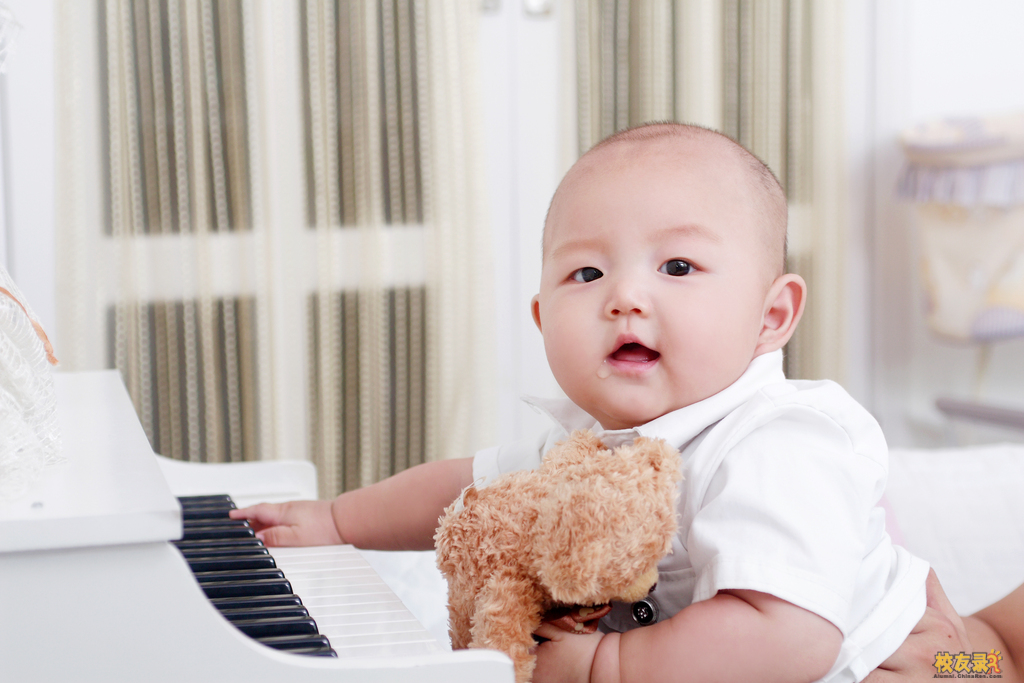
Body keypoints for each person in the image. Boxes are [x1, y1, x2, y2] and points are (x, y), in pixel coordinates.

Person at [232, 122, 928, 683]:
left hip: (898, 662)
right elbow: (459, 492)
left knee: (980, 659)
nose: (624, 296)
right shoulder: (585, 444)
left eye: (677, 266)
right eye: (587, 272)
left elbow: (788, 638)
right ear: (542, 319)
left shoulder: (778, 440)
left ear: (771, 315)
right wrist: (335, 518)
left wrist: (609, 664)